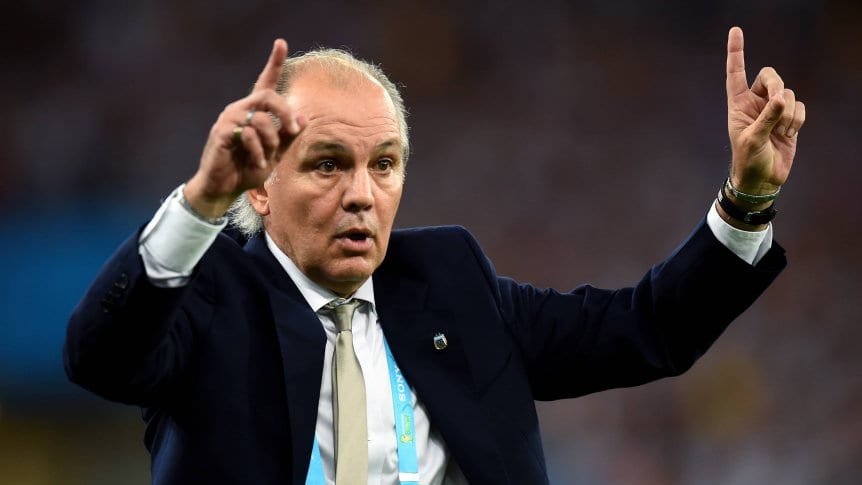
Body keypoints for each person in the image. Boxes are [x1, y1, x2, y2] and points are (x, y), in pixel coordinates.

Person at [64, 26, 805, 484]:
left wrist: (747, 198)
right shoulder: (206, 293)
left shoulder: (450, 280)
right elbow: (100, 357)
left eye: (383, 164)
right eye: (328, 164)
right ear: (260, 187)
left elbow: (645, 329)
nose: (362, 194)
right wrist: (201, 200)